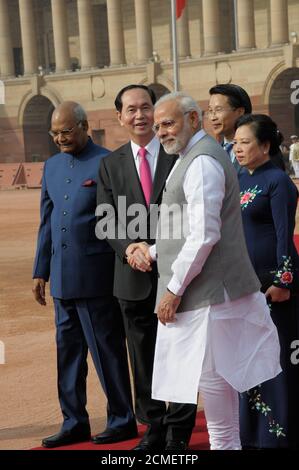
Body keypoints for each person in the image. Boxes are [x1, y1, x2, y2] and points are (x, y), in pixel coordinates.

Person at [129, 92, 281, 450]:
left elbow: (203, 235)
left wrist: (173, 290)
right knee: (219, 398)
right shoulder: (191, 159)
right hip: (209, 295)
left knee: (216, 400)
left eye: (169, 123)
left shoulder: (200, 163)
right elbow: (186, 230)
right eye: (158, 126)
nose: (162, 132)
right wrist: (151, 251)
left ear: (193, 120)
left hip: (210, 299)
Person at [96, 85, 197, 451]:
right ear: (120, 117)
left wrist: (154, 250)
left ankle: (180, 430)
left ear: (156, 112)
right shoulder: (110, 164)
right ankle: (153, 428)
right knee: (142, 358)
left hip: (177, 275)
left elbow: (190, 215)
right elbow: (105, 220)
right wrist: (130, 252)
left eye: (145, 108)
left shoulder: (180, 156)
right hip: (132, 277)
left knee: (181, 353)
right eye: (131, 110)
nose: (139, 115)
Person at [32, 101, 137, 448]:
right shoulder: (50, 166)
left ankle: (121, 419)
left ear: (83, 126)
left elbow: (121, 220)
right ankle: (74, 421)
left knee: (107, 352)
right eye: (54, 133)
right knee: (68, 356)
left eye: (65, 131)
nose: (60, 138)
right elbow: (47, 222)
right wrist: (40, 271)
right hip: (62, 279)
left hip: (97, 276)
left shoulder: (108, 161)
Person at [234, 114, 299, 449]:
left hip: (274, 290)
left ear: (265, 145)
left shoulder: (278, 183)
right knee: (248, 362)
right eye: (236, 142)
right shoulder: (239, 178)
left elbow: (283, 235)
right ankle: (252, 435)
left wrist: (283, 281)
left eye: (245, 142)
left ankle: (277, 437)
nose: (238, 147)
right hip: (245, 289)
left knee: (275, 362)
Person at [208, 83, 285, 171]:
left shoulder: (263, 151)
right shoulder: (215, 152)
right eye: (210, 111)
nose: (213, 117)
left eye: (218, 110)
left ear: (240, 112)